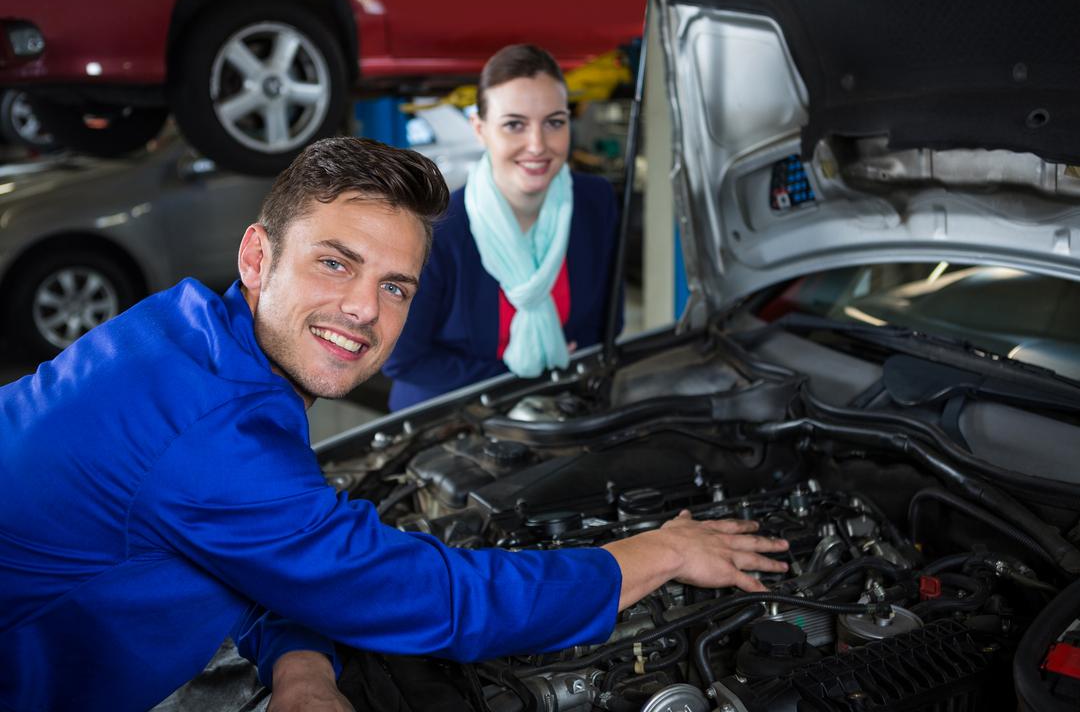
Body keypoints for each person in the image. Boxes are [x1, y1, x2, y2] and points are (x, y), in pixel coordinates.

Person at [0, 137, 788, 712]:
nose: (364, 311)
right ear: (256, 258)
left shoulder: (187, 335)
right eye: (335, 263)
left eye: (397, 286)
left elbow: (250, 553)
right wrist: (653, 552)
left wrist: (300, 666)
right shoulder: (211, 432)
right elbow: (436, 598)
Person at [383, 44, 623, 410]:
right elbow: (403, 359)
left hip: (560, 412)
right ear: (480, 130)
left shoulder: (595, 202)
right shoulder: (438, 229)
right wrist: (529, 378)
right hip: (449, 423)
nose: (537, 144)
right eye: (514, 124)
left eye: (554, 122)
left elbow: (608, 325)